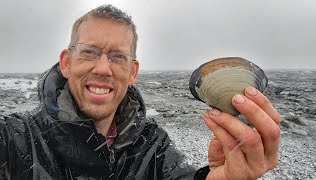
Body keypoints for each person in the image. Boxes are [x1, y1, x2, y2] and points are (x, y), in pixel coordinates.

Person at [0, 4, 281, 180]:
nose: (102, 68)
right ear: (66, 62)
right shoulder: (16, 139)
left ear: (133, 72)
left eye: (118, 57)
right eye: (89, 52)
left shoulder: (152, 146)